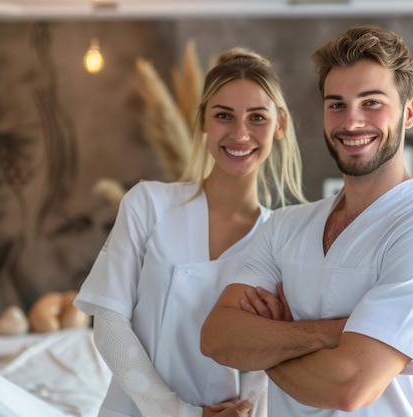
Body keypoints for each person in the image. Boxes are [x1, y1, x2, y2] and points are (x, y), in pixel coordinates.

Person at [200, 25, 413, 417]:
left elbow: (349, 387)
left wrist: (267, 346)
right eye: (336, 104)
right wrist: (331, 333)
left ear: (408, 113)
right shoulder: (285, 226)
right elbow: (218, 338)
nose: (351, 122)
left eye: (372, 102)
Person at [73, 47, 307, 417]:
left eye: (257, 117)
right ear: (203, 122)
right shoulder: (148, 204)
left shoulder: (281, 237)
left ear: (279, 125)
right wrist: (177, 413)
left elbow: (269, 354)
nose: (240, 133)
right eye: (223, 116)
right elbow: (109, 325)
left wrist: (245, 408)